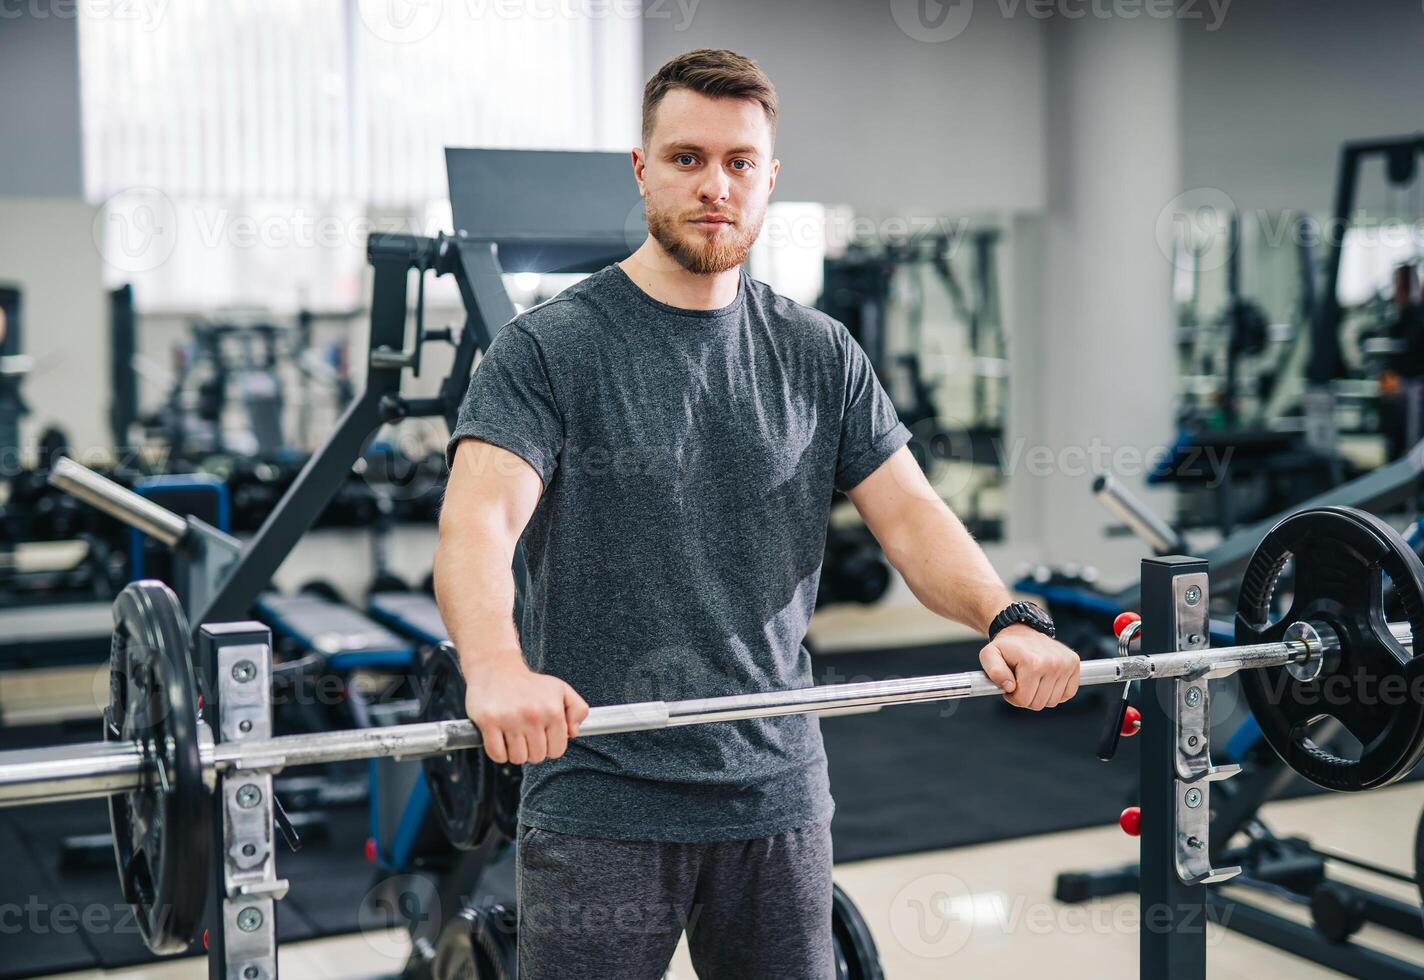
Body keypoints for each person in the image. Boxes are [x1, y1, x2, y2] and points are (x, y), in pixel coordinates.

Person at [434, 47, 1080, 980]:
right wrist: (495, 668)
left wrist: (1005, 615)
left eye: (739, 163)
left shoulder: (819, 353)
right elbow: (479, 524)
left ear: (769, 180)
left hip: (778, 794)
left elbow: (912, 515)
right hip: (603, 795)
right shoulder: (551, 348)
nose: (715, 186)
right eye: (688, 158)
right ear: (642, 168)